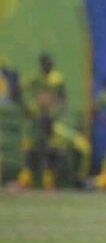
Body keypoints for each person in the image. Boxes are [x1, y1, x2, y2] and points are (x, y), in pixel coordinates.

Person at [14, 53, 66, 190]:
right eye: (45, 65)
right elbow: (18, 90)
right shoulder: (35, 78)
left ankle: (49, 183)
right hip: (36, 119)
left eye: (49, 64)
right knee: (32, 151)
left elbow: (63, 98)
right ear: (41, 66)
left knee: (50, 150)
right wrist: (26, 108)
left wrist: (56, 113)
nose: (47, 67)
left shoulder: (57, 79)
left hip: (50, 120)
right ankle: (25, 181)